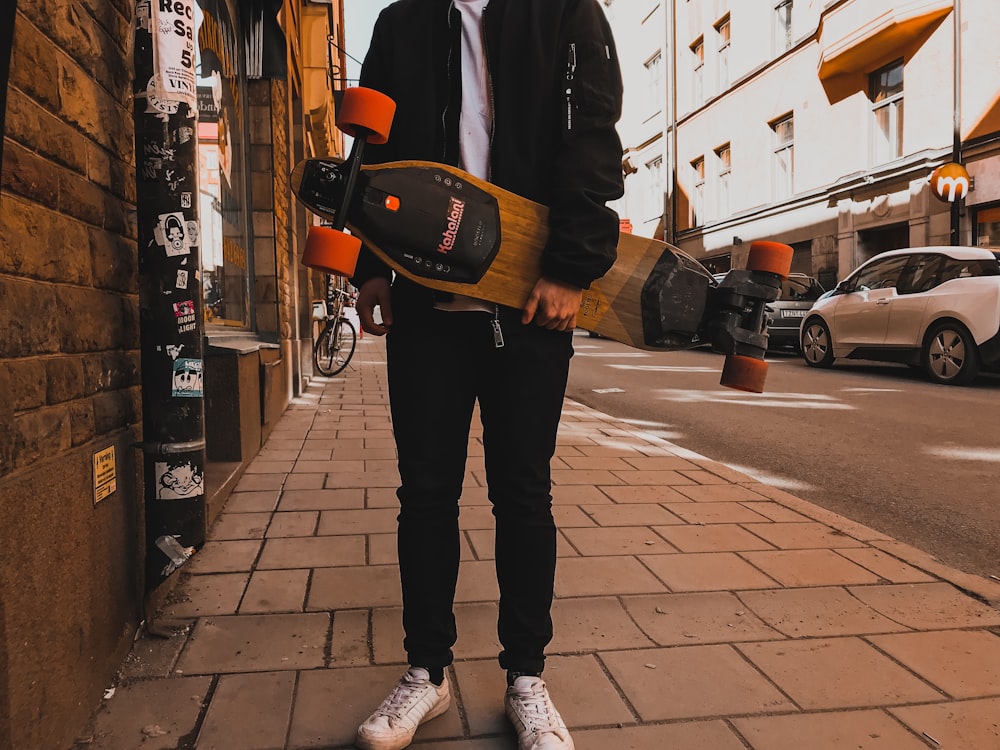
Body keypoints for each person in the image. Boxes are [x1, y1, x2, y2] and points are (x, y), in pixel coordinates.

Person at [349, 2, 623, 749]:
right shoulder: (402, 23)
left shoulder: (563, 12)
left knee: (523, 493)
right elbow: (372, 161)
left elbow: (593, 142)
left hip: (532, 301)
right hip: (424, 304)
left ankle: (527, 678)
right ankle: (427, 675)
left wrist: (570, 267)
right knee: (426, 494)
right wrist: (370, 267)